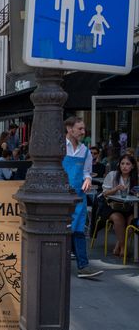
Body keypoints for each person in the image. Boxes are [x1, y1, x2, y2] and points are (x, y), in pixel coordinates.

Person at [63, 116, 103, 278]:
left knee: (78, 230)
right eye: (79, 128)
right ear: (69, 129)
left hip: (78, 196)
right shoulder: (59, 147)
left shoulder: (85, 151)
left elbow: (87, 171)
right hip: (61, 197)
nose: (83, 132)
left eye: (83, 128)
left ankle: (83, 266)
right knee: (64, 231)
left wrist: (87, 179)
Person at [100, 154, 138, 257]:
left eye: (128, 164)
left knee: (133, 220)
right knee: (118, 219)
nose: (124, 166)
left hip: (129, 207)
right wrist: (116, 189)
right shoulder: (112, 175)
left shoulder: (135, 178)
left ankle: (119, 245)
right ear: (119, 165)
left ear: (133, 166)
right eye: (122, 163)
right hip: (111, 206)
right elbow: (104, 193)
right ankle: (123, 247)